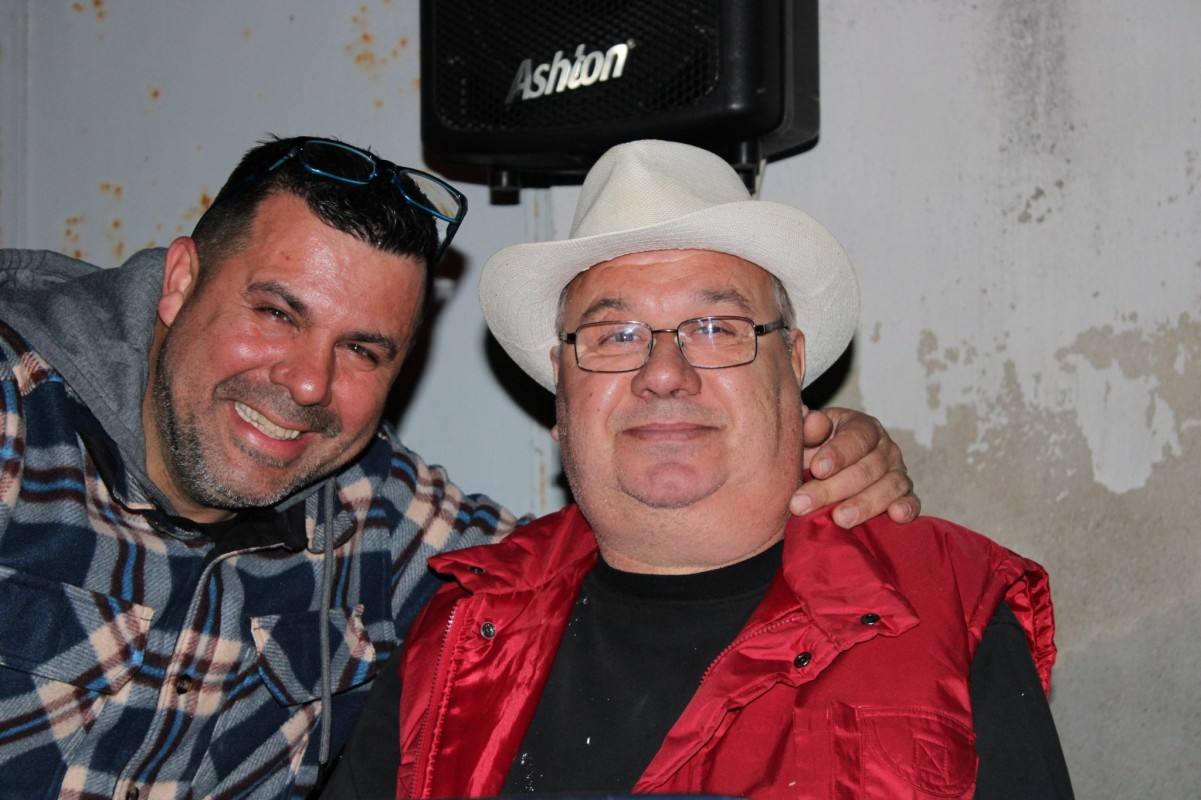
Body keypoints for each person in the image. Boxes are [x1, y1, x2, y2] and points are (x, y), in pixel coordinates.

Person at [0, 135, 918, 799]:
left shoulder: (376, 516)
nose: (308, 382)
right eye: (277, 312)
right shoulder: (17, 421)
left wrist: (803, 449)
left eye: (364, 350)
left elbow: (599, 556)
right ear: (178, 281)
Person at [337, 140, 1074, 799]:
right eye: (615, 334)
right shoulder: (457, 634)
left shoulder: (947, 606)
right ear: (562, 389)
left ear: (792, 364)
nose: (663, 373)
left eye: (717, 327)